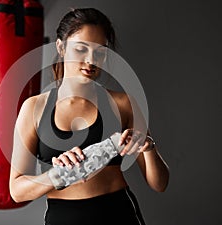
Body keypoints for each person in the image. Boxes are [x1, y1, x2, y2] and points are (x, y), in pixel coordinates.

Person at [9, 7, 169, 225]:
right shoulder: (34, 109)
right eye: (81, 49)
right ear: (61, 47)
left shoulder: (124, 104)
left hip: (119, 215)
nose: (91, 60)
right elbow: (17, 191)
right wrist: (57, 175)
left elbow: (159, 184)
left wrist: (148, 147)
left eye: (100, 52)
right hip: (63, 218)